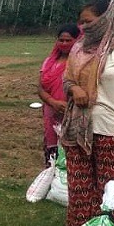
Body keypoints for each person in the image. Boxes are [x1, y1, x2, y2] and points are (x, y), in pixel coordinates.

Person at [61, 0, 114, 226]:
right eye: (81, 22)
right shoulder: (78, 48)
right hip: (78, 129)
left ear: (105, 18)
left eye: (88, 21)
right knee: (79, 185)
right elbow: (67, 80)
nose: (83, 27)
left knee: (109, 187)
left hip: (111, 129)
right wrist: (75, 88)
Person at [37, 24, 80, 165]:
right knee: (52, 155)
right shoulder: (49, 62)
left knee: (71, 155)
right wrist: (53, 102)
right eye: (61, 40)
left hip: (74, 114)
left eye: (69, 40)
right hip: (52, 113)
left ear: (77, 40)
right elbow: (41, 88)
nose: (64, 43)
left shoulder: (81, 62)